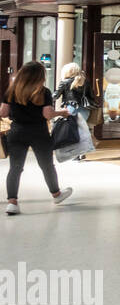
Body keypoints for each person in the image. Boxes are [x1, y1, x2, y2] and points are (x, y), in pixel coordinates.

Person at [1, 61, 74, 215]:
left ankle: (12, 202)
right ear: (40, 76)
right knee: (46, 165)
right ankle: (56, 194)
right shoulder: (44, 92)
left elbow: (3, 113)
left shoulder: (11, 91)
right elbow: (47, 114)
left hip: (17, 131)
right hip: (38, 132)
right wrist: (61, 113)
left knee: (15, 167)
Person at [54, 63, 97, 160]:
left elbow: (56, 95)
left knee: (72, 132)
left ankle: (75, 154)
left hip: (71, 108)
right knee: (82, 130)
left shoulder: (65, 82)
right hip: (85, 110)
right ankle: (81, 152)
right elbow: (92, 96)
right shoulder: (85, 81)